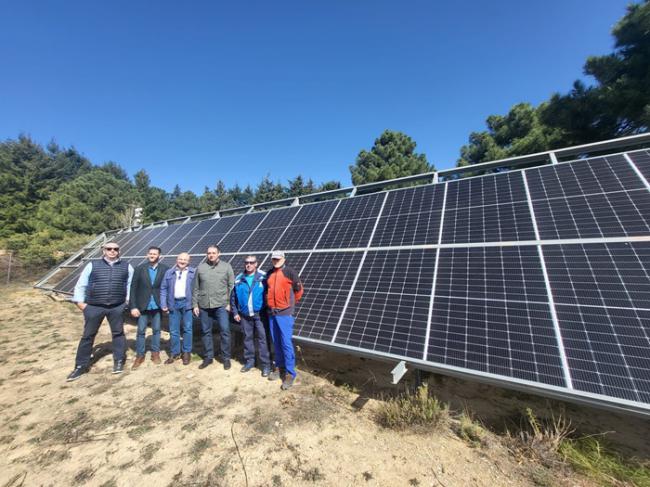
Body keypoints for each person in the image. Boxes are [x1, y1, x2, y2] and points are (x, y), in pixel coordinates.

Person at [67, 241, 134, 381]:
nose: (112, 251)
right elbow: (81, 285)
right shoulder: (92, 265)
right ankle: (80, 366)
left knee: (118, 333)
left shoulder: (127, 267)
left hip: (117, 306)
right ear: (103, 251)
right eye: (109, 249)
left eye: (115, 249)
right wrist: (80, 304)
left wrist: (126, 302)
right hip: (94, 307)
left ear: (119, 251)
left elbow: (130, 285)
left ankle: (119, 361)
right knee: (88, 336)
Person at [192, 245, 235, 370]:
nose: (211, 255)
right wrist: (195, 304)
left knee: (225, 331)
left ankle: (226, 357)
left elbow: (231, 286)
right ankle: (208, 357)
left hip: (221, 305)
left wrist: (229, 303)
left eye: (214, 253)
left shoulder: (226, 267)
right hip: (204, 305)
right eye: (209, 253)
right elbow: (195, 287)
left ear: (219, 253)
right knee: (206, 332)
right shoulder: (200, 268)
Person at [266, 250, 303, 390]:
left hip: (284, 314)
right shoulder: (269, 273)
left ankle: (290, 373)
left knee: (286, 343)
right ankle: (279, 367)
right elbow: (267, 291)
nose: (276, 261)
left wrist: (288, 306)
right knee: (276, 342)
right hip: (272, 313)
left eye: (278, 258)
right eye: (274, 259)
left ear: (283, 258)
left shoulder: (290, 272)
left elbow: (298, 291)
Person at [230, 255, 271, 376]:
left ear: (256, 264)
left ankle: (266, 365)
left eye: (251, 262)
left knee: (263, 339)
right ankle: (250, 361)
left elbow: (270, 293)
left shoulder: (263, 277)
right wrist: (235, 312)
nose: (249, 264)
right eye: (246, 262)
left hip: (260, 315)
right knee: (247, 338)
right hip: (244, 315)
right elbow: (233, 298)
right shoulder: (239, 279)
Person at [129, 246, 169, 369]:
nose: (152, 255)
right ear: (147, 255)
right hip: (142, 306)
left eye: (155, 254)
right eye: (150, 253)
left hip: (157, 306)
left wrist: (166, 304)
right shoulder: (139, 269)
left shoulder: (165, 269)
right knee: (141, 331)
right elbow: (133, 289)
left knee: (157, 330)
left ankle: (155, 353)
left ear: (159, 256)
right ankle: (140, 355)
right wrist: (133, 306)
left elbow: (167, 288)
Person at [160, 253, 196, 365]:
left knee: (188, 329)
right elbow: (163, 289)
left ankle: (186, 352)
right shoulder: (169, 273)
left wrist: (196, 304)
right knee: (174, 330)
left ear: (189, 262)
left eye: (185, 260)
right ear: (177, 260)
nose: (182, 261)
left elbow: (197, 289)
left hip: (187, 304)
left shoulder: (193, 273)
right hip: (173, 304)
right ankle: (175, 353)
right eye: (180, 259)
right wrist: (163, 303)